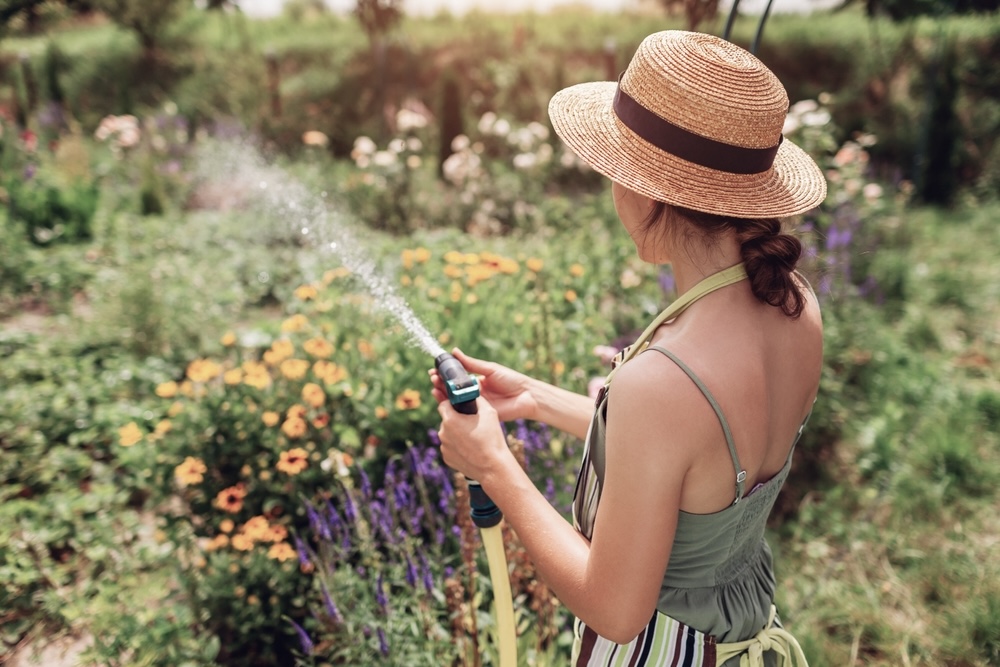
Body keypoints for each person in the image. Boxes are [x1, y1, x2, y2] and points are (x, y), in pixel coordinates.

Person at [430, 30, 826, 667]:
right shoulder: (795, 306)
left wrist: (496, 467)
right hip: (743, 638)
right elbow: (696, 465)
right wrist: (536, 399)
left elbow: (615, 610)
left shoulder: (665, 381)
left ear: (645, 189)